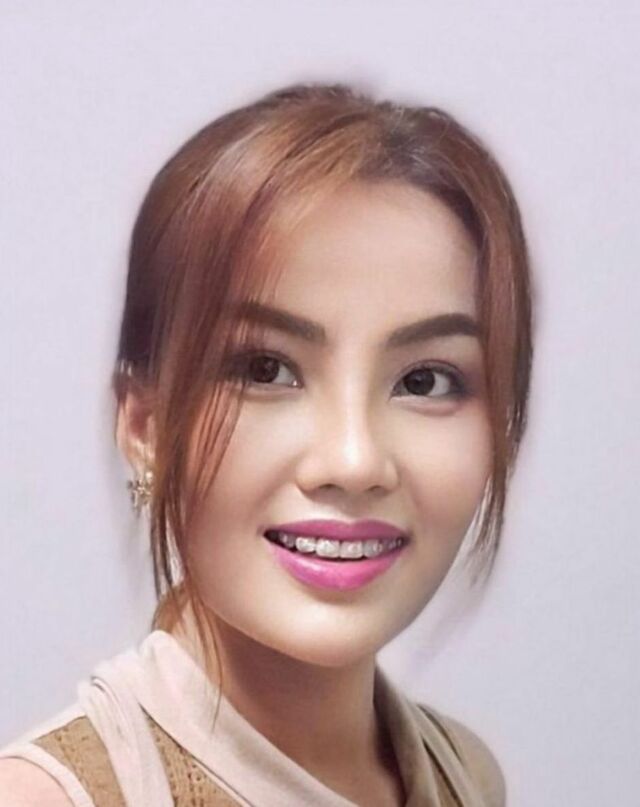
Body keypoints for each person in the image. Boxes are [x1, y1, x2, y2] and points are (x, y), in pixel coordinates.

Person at [0, 81, 533, 806]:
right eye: (265, 370)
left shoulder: (464, 775)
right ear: (145, 425)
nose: (353, 461)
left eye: (425, 380)